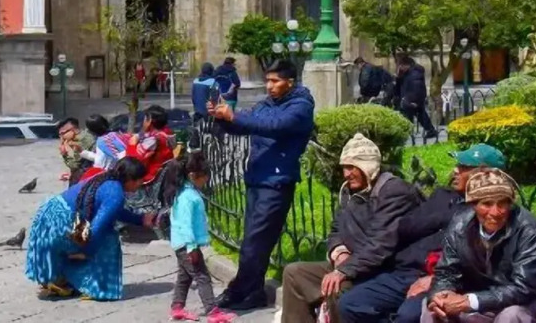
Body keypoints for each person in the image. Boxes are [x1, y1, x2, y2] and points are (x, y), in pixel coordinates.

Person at [280, 133, 426, 323]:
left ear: (368, 166)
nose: (346, 174)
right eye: (344, 168)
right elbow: (336, 229)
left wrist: (344, 271)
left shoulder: (394, 192)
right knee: (294, 273)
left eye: (351, 167)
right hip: (354, 265)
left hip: (383, 271)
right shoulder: (350, 191)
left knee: (336, 287)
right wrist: (339, 253)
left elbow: (380, 245)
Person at [208, 58, 316, 312]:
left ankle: (238, 289)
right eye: (267, 80)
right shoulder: (267, 104)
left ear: (290, 82)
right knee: (255, 242)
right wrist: (222, 117)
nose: (269, 86)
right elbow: (246, 125)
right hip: (256, 178)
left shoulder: (300, 107)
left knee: (254, 242)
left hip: (277, 182)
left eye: (275, 81)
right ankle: (254, 291)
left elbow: (273, 126)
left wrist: (234, 115)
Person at [426, 168, 536, 322]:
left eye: (502, 204)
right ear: (473, 205)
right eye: (486, 204)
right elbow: (446, 271)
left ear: (510, 204)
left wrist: (471, 301)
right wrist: (441, 294)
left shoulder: (531, 230)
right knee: (434, 309)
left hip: (534, 298)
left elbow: (525, 288)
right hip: (485, 295)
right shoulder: (459, 225)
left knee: (510, 316)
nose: (495, 212)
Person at [395, 144, 512, 323]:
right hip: (405, 270)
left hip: (446, 281)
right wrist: (445, 216)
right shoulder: (443, 196)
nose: (455, 170)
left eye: (464, 167)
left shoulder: (492, 217)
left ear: (485, 174)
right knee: (354, 302)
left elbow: (481, 267)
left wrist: (435, 280)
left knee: (410, 315)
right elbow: (404, 227)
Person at [25, 155, 156, 301]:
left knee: (97, 235)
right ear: (131, 179)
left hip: (47, 216)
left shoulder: (104, 178)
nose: (141, 185)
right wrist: (86, 252)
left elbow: (112, 211)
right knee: (108, 238)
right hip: (60, 224)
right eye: (140, 181)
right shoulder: (116, 194)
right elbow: (97, 229)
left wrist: (140, 219)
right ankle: (97, 288)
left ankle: (58, 277)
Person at [170, 150, 234, 322]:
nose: (206, 180)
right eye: (204, 177)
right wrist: (191, 246)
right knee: (202, 276)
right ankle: (212, 310)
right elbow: (185, 224)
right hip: (187, 244)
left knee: (184, 277)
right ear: (193, 176)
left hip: (182, 243)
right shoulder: (188, 197)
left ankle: (177, 307)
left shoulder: (185, 193)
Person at [395, 54, 435, 140]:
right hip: (409, 99)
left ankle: (409, 133)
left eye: (401, 66)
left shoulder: (415, 74)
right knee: (420, 115)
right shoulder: (407, 73)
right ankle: (430, 130)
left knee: (412, 115)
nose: (400, 68)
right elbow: (400, 85)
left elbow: (417, 88)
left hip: (412, 99)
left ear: (406, 65)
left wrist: (411, 101)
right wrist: (398, 76)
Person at [58, 117, 95, 182]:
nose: (61, 137)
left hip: (86, 181)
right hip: (84, 177)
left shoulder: (82, 140)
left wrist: (64, 154)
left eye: (63, 133)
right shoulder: (79, 137)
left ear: (72, 130)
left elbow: (75, 165)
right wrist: (70, 175)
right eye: (60, 135)